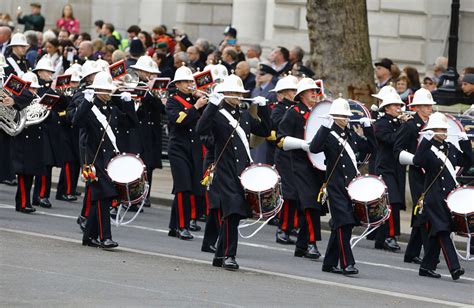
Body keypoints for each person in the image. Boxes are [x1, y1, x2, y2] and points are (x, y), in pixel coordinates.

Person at [196, 74, 270, 270]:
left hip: (242, 171)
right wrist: (211, 105)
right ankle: (230, 255)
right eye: (234, 93)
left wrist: (263, 108)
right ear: (224, 94)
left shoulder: (245, 115)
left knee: (234, 215)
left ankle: (219, 256)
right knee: (232, 211)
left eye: (240, 93)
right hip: (225, 170)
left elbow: (265, 130)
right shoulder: (218, 114)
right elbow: (200, 128)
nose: (238, 96)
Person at [71, 71, 138, 248]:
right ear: (97, 89)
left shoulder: (111, 108)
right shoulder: (89, 108)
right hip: (94, 159)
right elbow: (76, 122)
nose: (109, 93)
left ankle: (89, 236)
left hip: (109, 158)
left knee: (100, 198)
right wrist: (86, 102)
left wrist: (128, 102)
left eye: (110, 90)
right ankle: (104, 236)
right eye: (106, 90)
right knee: (105, 195)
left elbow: (131, 123)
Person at [309, 98, 376, 275]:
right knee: (344, 222)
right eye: (340, 116)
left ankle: (329, 263)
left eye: (346, 116)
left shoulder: (351, 135)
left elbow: (372, 148)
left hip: (351, 186)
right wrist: (324, 126)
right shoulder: (329, 134)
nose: (344, 119)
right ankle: (347, 263)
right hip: (335, 185)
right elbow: (314, 148)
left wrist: (368, 129)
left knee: (343, 224)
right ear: (333, 116)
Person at [414, 112, 471, 280]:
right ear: (432, 129)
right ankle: (454, 267)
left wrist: (464, 140)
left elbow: (468, 161)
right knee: (443, 230)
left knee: (436, 232)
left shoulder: (450, 147)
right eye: (439, 128)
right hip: (433, 197)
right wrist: (425, 140)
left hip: (448, 197)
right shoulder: (427, 149)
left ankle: (426, 267)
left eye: (444, 128)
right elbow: (417, 161)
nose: (443, 131)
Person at [277, 78, 324, 259]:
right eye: (311, 91)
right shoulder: (294, 112)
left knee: (312, 204)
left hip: (317, 165)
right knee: (310, 204)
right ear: (302, 94)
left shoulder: (319, 113)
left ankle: (302, 245)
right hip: (299, 164)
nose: (314, 94)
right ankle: (312, 243)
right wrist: (303, 144)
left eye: (316, 91)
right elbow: (281, 139)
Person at [394, 88, 436, 265]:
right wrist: (415, 160)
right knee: (424, 208)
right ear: (417, 107)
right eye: (426, 106)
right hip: (417, 172)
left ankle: (411, 252)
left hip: (432, 173)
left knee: (422, 211)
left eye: (430, 105)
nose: (429, 109)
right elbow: (397, 149)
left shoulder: (434, 123)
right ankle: (428, 253)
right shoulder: (410, 126)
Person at [166, 65, 208, 240]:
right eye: (185, 82)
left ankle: (173, 225)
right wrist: (196, 106)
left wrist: (205, 102)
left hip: (194, 149)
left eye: (191, 81)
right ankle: (183, 225)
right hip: (178, 148)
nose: (189, 84)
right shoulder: (173, 100)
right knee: (183, 187)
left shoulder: (197, 100)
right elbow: (178, 119)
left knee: (188, 186)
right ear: (178, 84)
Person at [373, 87, 409, 252]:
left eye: (399, 105)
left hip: (398, 168)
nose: (398, 108)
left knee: (393, 202)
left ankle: (382, 238)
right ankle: (390, 236)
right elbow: (391, 140)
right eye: (394, 105)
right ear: (386, 108)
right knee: (392, 201)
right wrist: (405, 126)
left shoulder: (400, 123)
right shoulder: (381, 124)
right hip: (385, 167)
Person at [129, 56, 163, 207]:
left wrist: (157, 94)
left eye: (152, 73)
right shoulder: (134, 86)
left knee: (149, 164)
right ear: (140, 71)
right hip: (139, 131)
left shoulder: (156, 90)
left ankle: (145, 194)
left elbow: (162, 110)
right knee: (138, 163)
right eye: (147, 72)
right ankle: (134, 195)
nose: (150, 75)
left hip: (152, 131)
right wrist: (148, 91)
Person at [269, 75, 299, 244]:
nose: (296, 93)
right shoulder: (280, 109)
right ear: (283, 93)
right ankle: (283, 229)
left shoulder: (297, 109)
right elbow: (278, 128)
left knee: (298, 193)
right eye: (293, 90)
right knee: (288, 194)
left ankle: (292, 225)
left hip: (298, 156)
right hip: (285, 155)